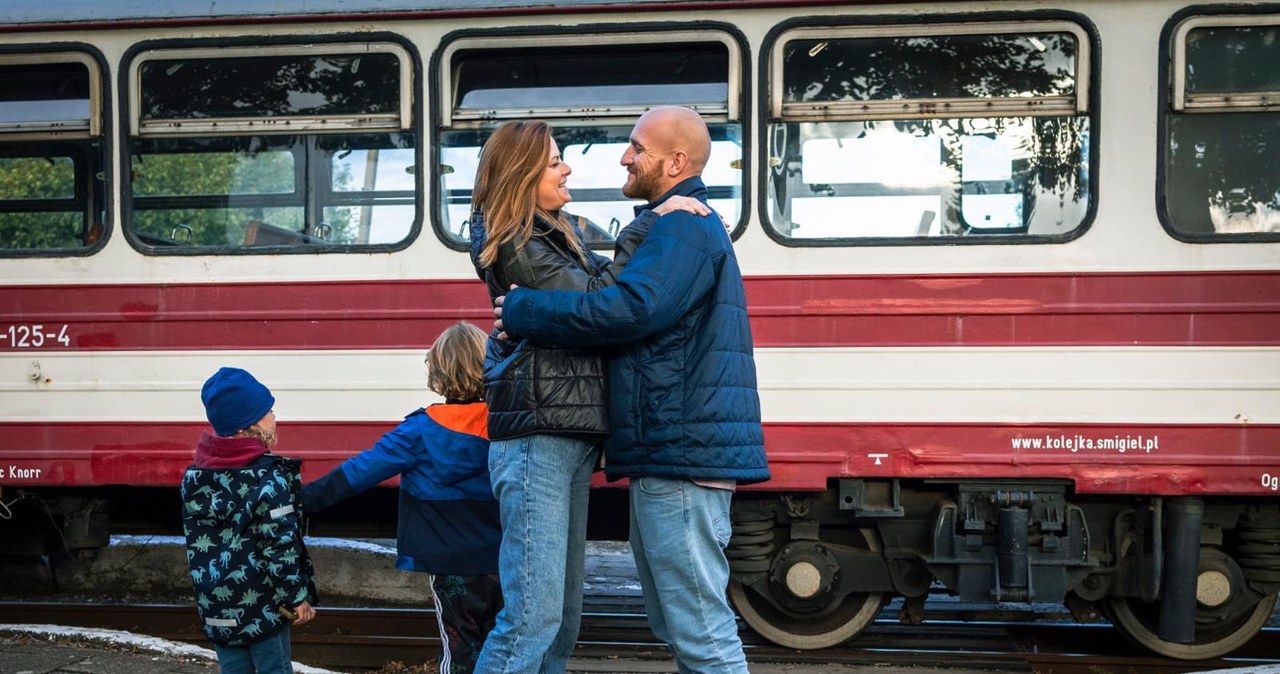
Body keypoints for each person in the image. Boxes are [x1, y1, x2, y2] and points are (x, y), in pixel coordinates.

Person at [493, 106, 771, 673]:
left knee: (699, 631)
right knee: (682, 624)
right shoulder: (671, 221)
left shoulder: (682, 224)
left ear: (673, 161)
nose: (623, 157)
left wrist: (521, 308)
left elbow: (629, 307)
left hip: (679, 452)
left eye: (636, 148)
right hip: (668, 451)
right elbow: (621, 289)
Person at [467, 119, 707, 673]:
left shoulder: (553, 234)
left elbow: (604, 281)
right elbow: (605, 297)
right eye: (555, 162)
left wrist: (655, 218)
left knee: (560, 620)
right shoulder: (519, 242)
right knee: (532, 620)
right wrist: (656, 217)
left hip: (565, 435)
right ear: (523, 176)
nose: (567, 167)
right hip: (538, 439)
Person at [302, 321, 500, 674]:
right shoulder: (504, 423)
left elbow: (358, 473)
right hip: (505, 562)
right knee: (503, 646)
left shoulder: (419, 431)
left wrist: (302, 501)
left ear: (437, 371)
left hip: (451, 566)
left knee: (460, 653)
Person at [181, 367, 318, 674]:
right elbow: (279, 548)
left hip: (217, 607)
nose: (275, 417)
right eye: (270, 411)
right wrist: (296, 599)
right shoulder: (269, 479)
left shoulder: (193, 478)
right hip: (265, 611)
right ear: (252, 423)